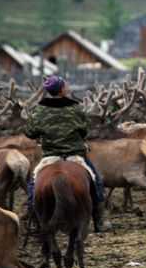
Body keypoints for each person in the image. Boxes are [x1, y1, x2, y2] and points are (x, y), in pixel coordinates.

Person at [21, 75, 112, 232]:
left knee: (33, 184)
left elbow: (29, 132)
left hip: (50, 156)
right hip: (75, 155)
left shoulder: (39, 110)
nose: (67, 88)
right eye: (65, 86)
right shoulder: (75, 108)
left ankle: (32, 215)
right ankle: (99, 222)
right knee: (96, 182)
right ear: (62, 89)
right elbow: (84, 128)